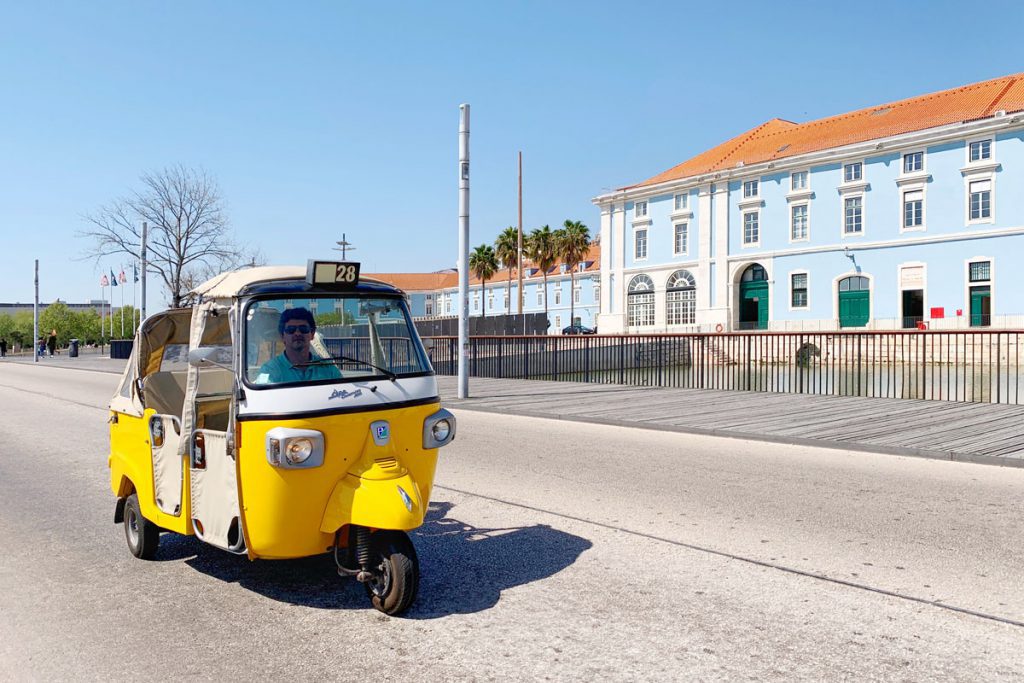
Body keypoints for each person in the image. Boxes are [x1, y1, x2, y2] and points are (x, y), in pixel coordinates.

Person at [255, 308, 341, 384]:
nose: (297, 333)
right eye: (291, 330)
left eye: (303, 329)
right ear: (282, 336)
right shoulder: (269, 370)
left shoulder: (329, 369)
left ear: (312, 334)